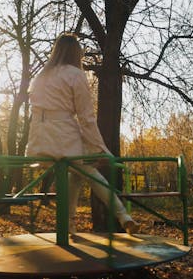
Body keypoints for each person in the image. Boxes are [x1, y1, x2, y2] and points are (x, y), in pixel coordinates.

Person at [26, 33, 139, 234]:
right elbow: (86, 118)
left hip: (39, 142)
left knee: (77, 175)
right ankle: (123, 215)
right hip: (63, 140)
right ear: (75, 53)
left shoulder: (40, 76)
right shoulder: (75, 74)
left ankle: (68, 225)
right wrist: (101, 150)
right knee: (92, 172)